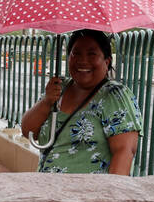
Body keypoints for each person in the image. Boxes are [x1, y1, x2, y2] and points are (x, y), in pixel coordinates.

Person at [20, 29, 140, 176]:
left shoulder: (114, 95)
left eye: (92, 54)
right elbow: (28, 131)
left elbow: (124, 152)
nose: (83, 60)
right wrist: (46, 101)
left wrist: (110, 196)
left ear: (107, 61)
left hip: (88, 196)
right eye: (76, 53)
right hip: (47, 191)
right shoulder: (59, 88)